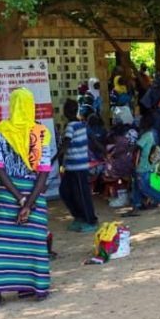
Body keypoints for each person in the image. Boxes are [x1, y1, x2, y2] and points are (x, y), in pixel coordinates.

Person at [0, 88, 53, 307]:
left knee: (4, 243)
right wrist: (29, 203)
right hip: (35, 192)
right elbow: (43, 172)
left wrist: (19, 199)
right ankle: (37, 288)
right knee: (34, 242)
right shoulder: (40, 133)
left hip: (7, 195)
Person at [56, 100, 98, 233]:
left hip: (78, 167)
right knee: (65, 191)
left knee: (82, 195)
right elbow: (94, 140)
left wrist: (53, 159)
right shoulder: (83, 125)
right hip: (71, 167)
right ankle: (79, 216)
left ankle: (91, 221)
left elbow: (65, 144)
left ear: (67, 112)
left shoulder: (71, 126)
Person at [130, 114, 160, 213]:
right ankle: (136, 206)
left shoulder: (146, 135)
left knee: (144, 187)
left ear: (145, 123)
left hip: (143, 165)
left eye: (141, 121)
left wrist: (127, 149)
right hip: (149, 163)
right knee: (137, 185)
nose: (139, 123)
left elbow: (137, 147)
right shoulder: (153, 133)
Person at [103, 106, 138, 208]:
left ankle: (122, 196)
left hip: (120, 165)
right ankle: (125, 195)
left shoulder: (114, 135)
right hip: (130, 162)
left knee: (109, 167)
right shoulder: (132, 132)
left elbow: (110, 150)